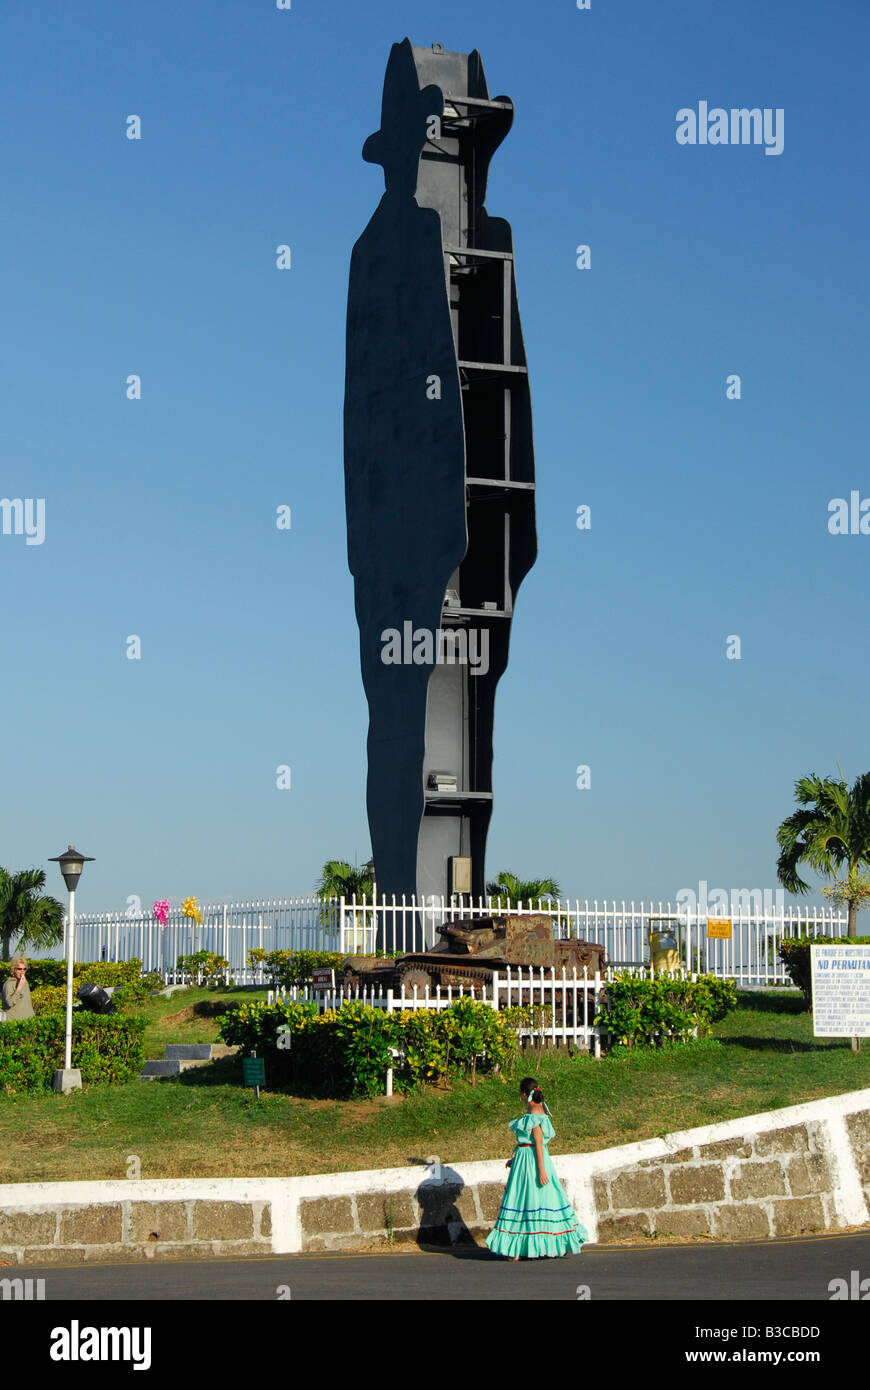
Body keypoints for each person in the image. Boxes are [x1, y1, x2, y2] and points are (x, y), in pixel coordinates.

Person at [485, 1076, 588, 1259]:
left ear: (524, 1094)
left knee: (525, 1198)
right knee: (538, 1198)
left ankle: (517, 1248)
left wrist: (541, 1168)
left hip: (533, 1160)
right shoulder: (537, 1108)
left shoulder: (533, 1110)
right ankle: (543, 1244)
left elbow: (538, 1141)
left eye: (520, 1093)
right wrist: (515, 1159)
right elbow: (529, 1142)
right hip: (526, 1158)